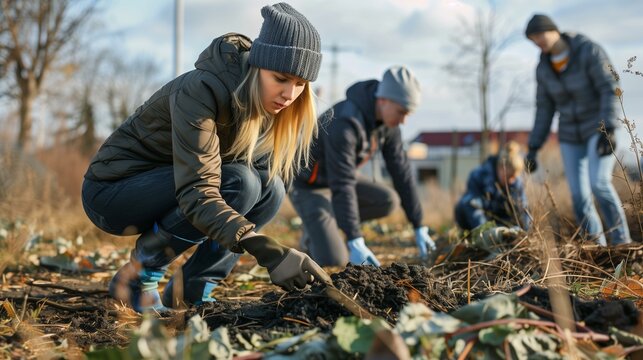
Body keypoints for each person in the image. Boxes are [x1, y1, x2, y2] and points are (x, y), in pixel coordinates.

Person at [81, 3, 329, 312]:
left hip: (170, 186)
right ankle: (135, 281)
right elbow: (198, 190)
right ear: (257, 66)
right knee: (241, 183)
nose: (289, 94)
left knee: (270, 188)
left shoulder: (270, 106)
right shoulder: (201, 90)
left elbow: (253, 187)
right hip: (113, 194)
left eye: (300, 84)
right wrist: (262, 247)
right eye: (280, 78)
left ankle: (193, 288)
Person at [289, 66, 436, 267]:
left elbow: (401, 172)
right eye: (402, 112)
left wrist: (418, 224)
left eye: (408, 114)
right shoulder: (344, 122)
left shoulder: (388, 125)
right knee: (334, 260)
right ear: (383, 100)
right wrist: (354, 239)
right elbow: (342, 184)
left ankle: (326, 223)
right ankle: (314, 231)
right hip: (309, 186)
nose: (404, 120)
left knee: (387, 200)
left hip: (341, 177)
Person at [524, 14, 631, 246]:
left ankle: (623, 243)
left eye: (540, 35)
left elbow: (609, 87)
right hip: (570, 135)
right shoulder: (543, 68)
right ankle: (597, 247)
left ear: (554, 30)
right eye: (533, 39)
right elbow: (544, 109)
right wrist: (533, 147)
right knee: (579, 196)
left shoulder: (587, 51)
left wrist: (609, 128)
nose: (538, 42)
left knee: (599, 183)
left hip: (598, 128)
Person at [455, 141, 530, 232]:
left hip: (503, 224)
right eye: (509, 176)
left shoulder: (516, 183)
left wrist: (526, 232)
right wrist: (487, 232)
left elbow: (524, 210)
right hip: (477, 223)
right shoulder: (479, 176)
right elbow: (474, 207)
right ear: (500, 168)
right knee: (466, 203)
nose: (511, 181)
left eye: (514, 177)